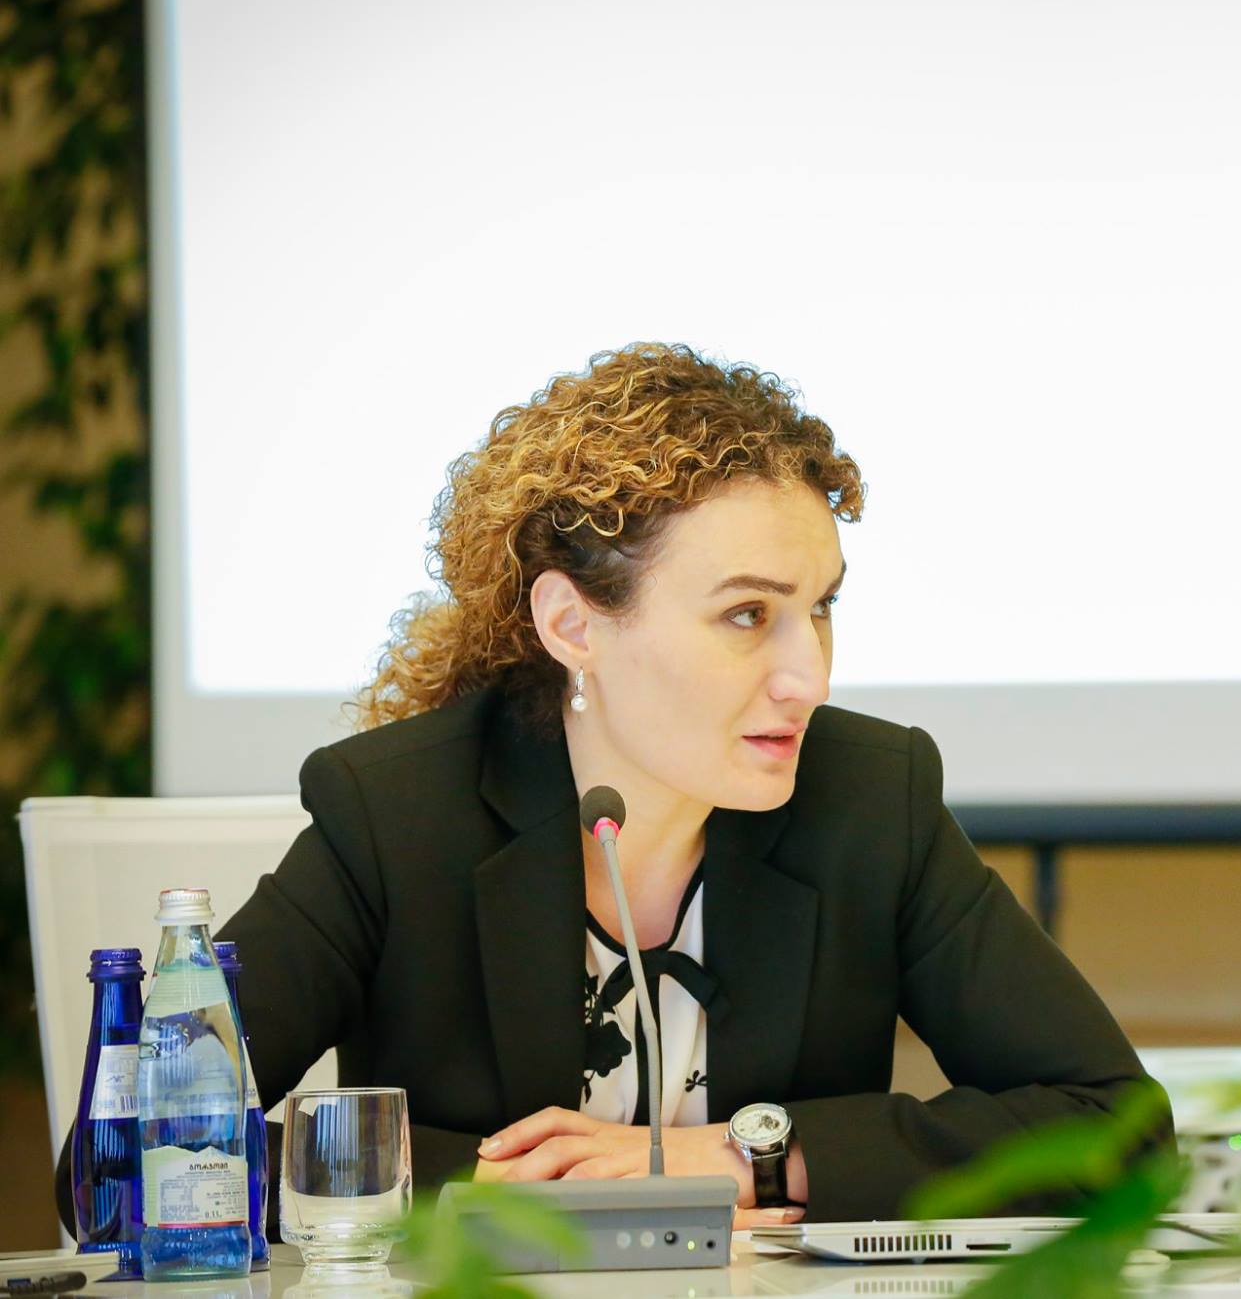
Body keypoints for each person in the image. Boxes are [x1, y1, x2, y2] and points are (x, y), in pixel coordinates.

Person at [56, 342, 1167, 1234]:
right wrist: (490, 1189)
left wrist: (743, 1156)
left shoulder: (871, 799)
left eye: (819, 607)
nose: (809, 676)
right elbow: (124, 1163)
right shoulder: (398, 817)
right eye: (747, 614)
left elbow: (1115, 1129)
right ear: (572, 625)